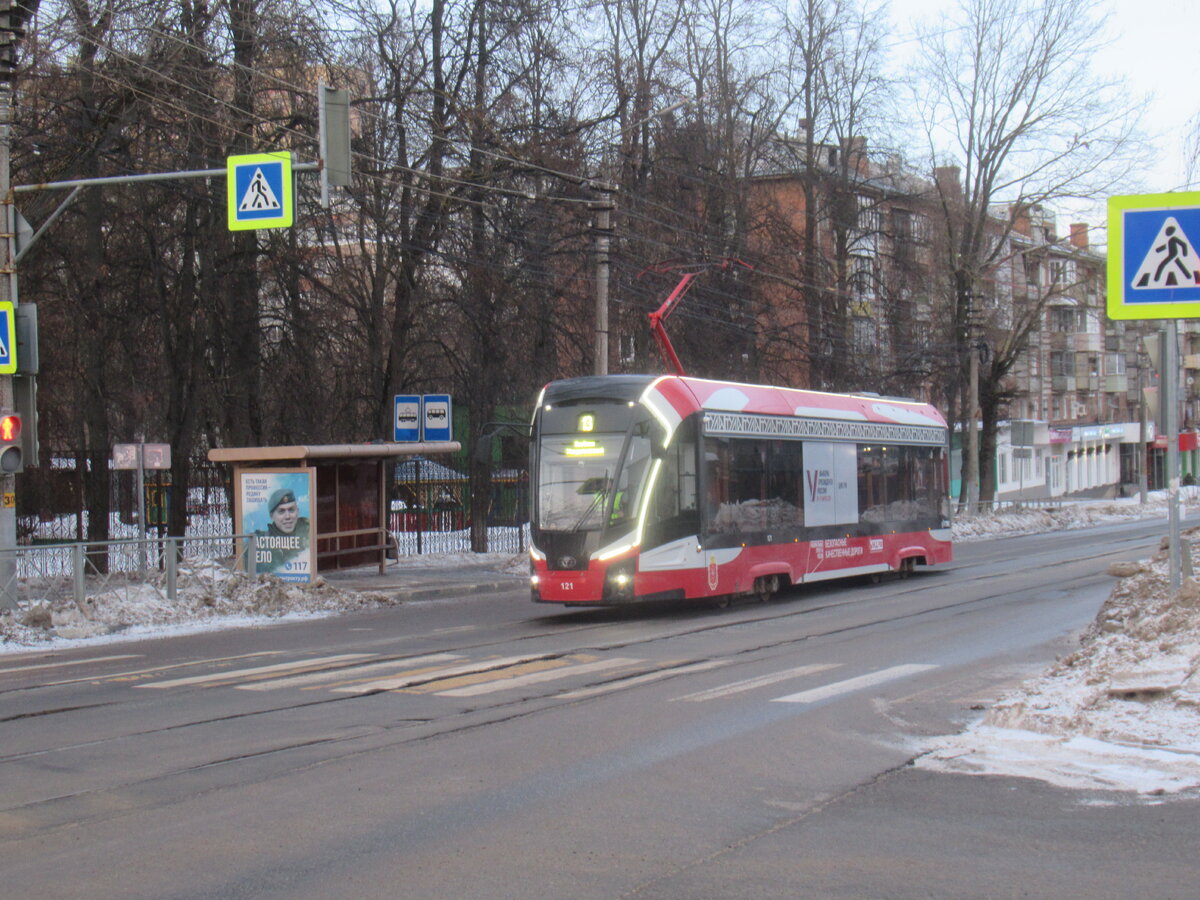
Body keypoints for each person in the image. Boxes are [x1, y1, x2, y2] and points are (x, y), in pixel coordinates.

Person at [255, 487, 310, 570]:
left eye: (291, 510)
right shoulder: (261, 542)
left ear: (297, 512)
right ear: (271, 516)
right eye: (281, 511)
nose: (287, 516)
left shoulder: (308, 530)